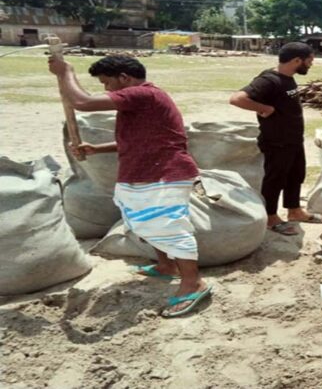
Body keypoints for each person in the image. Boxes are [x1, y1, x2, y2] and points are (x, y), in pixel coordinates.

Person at [48, 55, 210, 317]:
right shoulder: (141, 102)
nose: (106, 90)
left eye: (107, 82)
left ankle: (193, 282)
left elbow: (82, 102)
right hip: (146, 171)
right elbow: (141, 139)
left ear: (124, 78)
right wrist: (96, 148)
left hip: (165, 174)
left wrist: (65, 72)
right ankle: (166, 266)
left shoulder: (144, 95)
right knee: (144, 221)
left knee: (169, 227)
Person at [229, 42, 322, 236]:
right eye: (309, 61)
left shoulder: (288, 78)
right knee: (275, 179)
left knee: (295, 175)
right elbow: (237, 99)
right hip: (276, 141)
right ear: (296, 60)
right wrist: (265, 108)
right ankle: (270, 217)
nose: (310, 65)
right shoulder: (269, 80)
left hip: (292, 139)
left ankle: (294, 211)